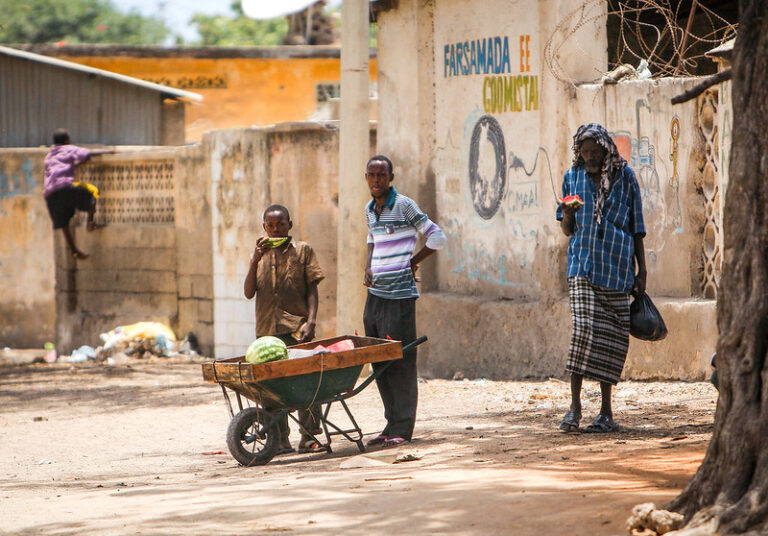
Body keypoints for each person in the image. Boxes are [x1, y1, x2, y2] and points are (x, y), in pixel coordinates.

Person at [556, 123, 647, 433]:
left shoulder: (626, 177)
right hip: (582, 266)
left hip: (618, 269)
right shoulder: (572, 177)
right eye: (585, 152)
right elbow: (567, 230)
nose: (590, 157)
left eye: (595, 151)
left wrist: (642, 272)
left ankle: (606, 412)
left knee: (612, 341)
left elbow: (637, 228)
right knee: (582, 332)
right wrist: (568, 213)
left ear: (606, 149)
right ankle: (575, 407)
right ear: (579, 153)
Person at [362, 155, 446, 448]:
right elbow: (372, 238)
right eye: (371, 175)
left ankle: (402, 427)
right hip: (375, 297)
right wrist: (368, 266)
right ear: (366, 178)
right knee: (379, 362)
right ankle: (390, 424)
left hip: (400, 297)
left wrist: (413, 261)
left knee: (400, 362)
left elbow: (437, 237)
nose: (376, 180)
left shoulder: (404, 205)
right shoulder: (370, 209)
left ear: (391, 178)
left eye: (381, 175)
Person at [243, 204, 325, 454]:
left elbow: (312, 288)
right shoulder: (259, 255)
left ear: (290, 225)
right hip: (267, 331)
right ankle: (280, 440)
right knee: (271, 389)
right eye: (271, 225)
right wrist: (254, 260)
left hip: (297, 329)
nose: (276, 229)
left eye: (281, 224)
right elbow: (248, 293)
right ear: (264, 227)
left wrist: (311, 321)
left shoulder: (302, 251)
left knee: (307, 382)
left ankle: (309, 436)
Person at [43, 128, 114, 260]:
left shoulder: (49, 155)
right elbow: (87, 153)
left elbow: (57, 167)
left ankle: (74, 250)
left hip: (50, 193)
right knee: (92, 195)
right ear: (67, 140)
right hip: (65, 186)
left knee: (63, 223)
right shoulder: (68, 148)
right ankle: (90, 223)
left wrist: (74, 165)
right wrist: (110, 151)